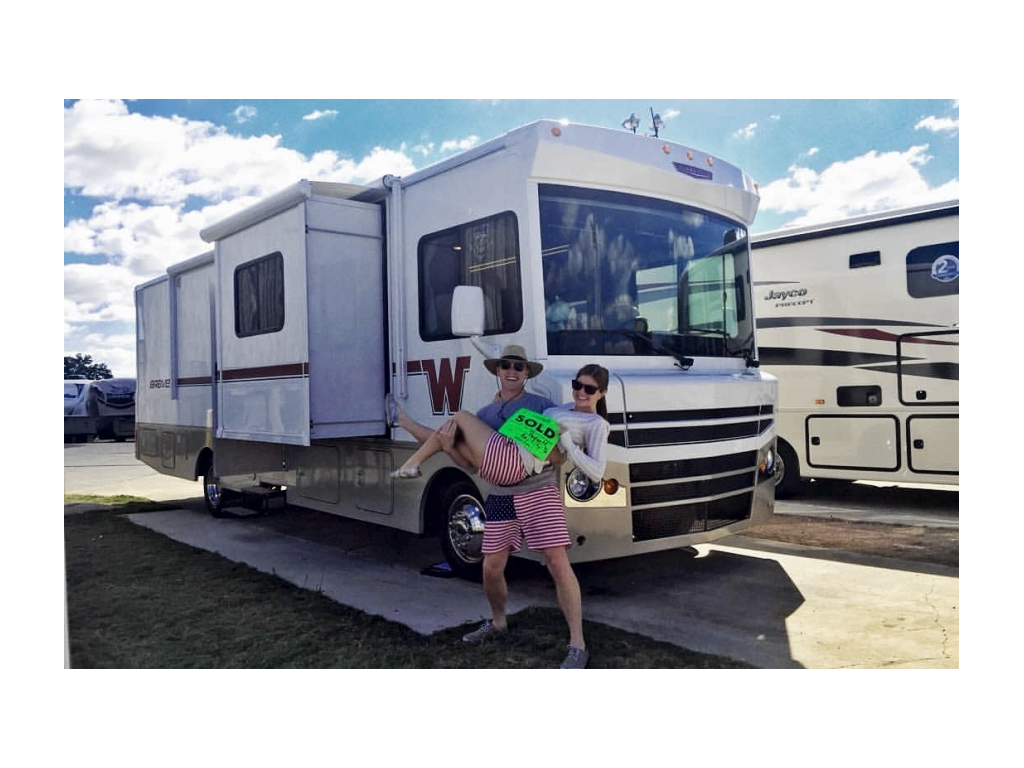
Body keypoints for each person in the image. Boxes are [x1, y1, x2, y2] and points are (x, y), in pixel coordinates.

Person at [386, 347, 609, 668]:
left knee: (557, 562)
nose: (512, 371)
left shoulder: (542, 406)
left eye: (519, 366)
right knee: (491, 566)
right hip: (501, 493)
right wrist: (449, 447)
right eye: (506, 365)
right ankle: (498, 621)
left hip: (538, 491)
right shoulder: (485, 416)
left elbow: (559, 447)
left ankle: (577, 643)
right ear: (497, 371)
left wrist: (560, 451)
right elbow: (469, 465)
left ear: (527, 373)